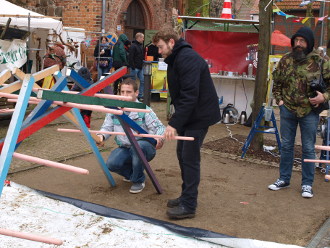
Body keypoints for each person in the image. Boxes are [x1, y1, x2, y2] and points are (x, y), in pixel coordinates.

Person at [152, 28, 221, 219]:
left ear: (171, 42)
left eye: (160, 47)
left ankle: (189, 205)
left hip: (199, 116)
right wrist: (177, 121)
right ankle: (185, 196)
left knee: (190, 158)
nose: (159, 51)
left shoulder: (187, 58)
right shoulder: (177, 58)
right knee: (182, 155)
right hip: (190, 115)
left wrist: (174, 124)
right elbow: (182, 95)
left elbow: (190, 95)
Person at [269, 26, 330, 198]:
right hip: (287, 109)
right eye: (296, 41)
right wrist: (279, 100)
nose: (298, 44)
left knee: (309, 148)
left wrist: (323, 97)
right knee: (286, 145)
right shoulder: (286, 60)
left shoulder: (321, 62)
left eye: (302, 41)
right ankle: (284, 179)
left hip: (309, 111)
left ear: (309, 43)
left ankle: (307, 184)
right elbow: (277, 82)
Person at [96, 78, 165, 193]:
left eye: (128, 92)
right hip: (125, 147)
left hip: (145, 147)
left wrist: (158, 138)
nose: (125, 95)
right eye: (122, 92)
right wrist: (101, 137)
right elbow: (107, 127)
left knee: (137, 147)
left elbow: (160, 127)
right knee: (112, 164)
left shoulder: (144, 109)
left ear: (136, 93)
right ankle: (134, 174)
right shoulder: (114, 109)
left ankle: (138, 180)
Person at [129, 32, 145, 101]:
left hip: (140, 67)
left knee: (143, 80)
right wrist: (132, 66)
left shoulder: (140, 46)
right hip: (134, 67)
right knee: (133, 82)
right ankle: (132, 95)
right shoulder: (133, 46)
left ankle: (140, 95)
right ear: (139, 38)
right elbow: (131, 57)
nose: (143, 39)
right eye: (142, 38)